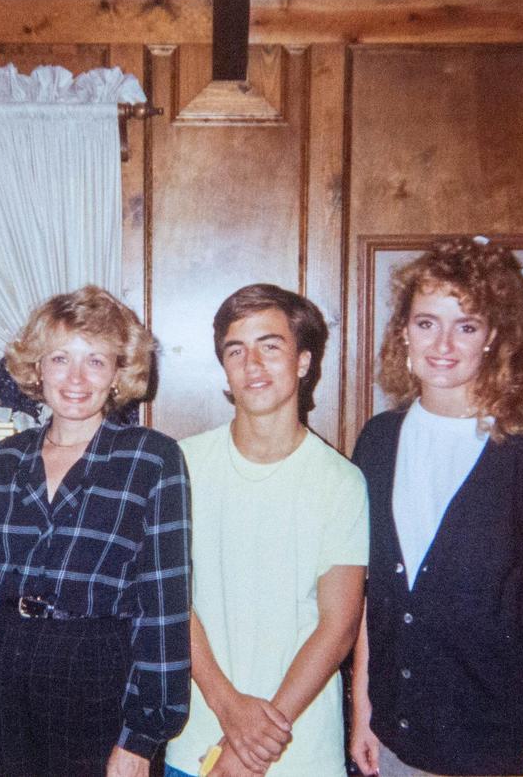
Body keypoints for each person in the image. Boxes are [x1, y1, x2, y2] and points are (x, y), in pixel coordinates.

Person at [349, 238, 523, 776]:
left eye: (465, 325)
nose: (443, 343)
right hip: (395, 742)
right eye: (426, 323)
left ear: (493, 337)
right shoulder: (378, 441)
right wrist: (363, 712)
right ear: (403, 332)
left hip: (501, 754)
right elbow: (373, 592)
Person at [0, 285, 191, 777]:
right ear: (37, 368)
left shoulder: (151, 459)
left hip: (98, 673)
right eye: (60, 358)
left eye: (95, 361)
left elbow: (162, 606)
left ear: (119, 372)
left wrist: (141, 737)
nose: (76, 378)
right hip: (1, 671)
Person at [164, 284, 369, 777]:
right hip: (195, 744)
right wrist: (229, 707)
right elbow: (171, 601)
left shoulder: (341, 482)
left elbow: (337, 627)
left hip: (302, 754)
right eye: (237, 350)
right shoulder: (179, 467)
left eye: (270, 346)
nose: (252, 364)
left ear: (303, 361)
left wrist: (254, 745)